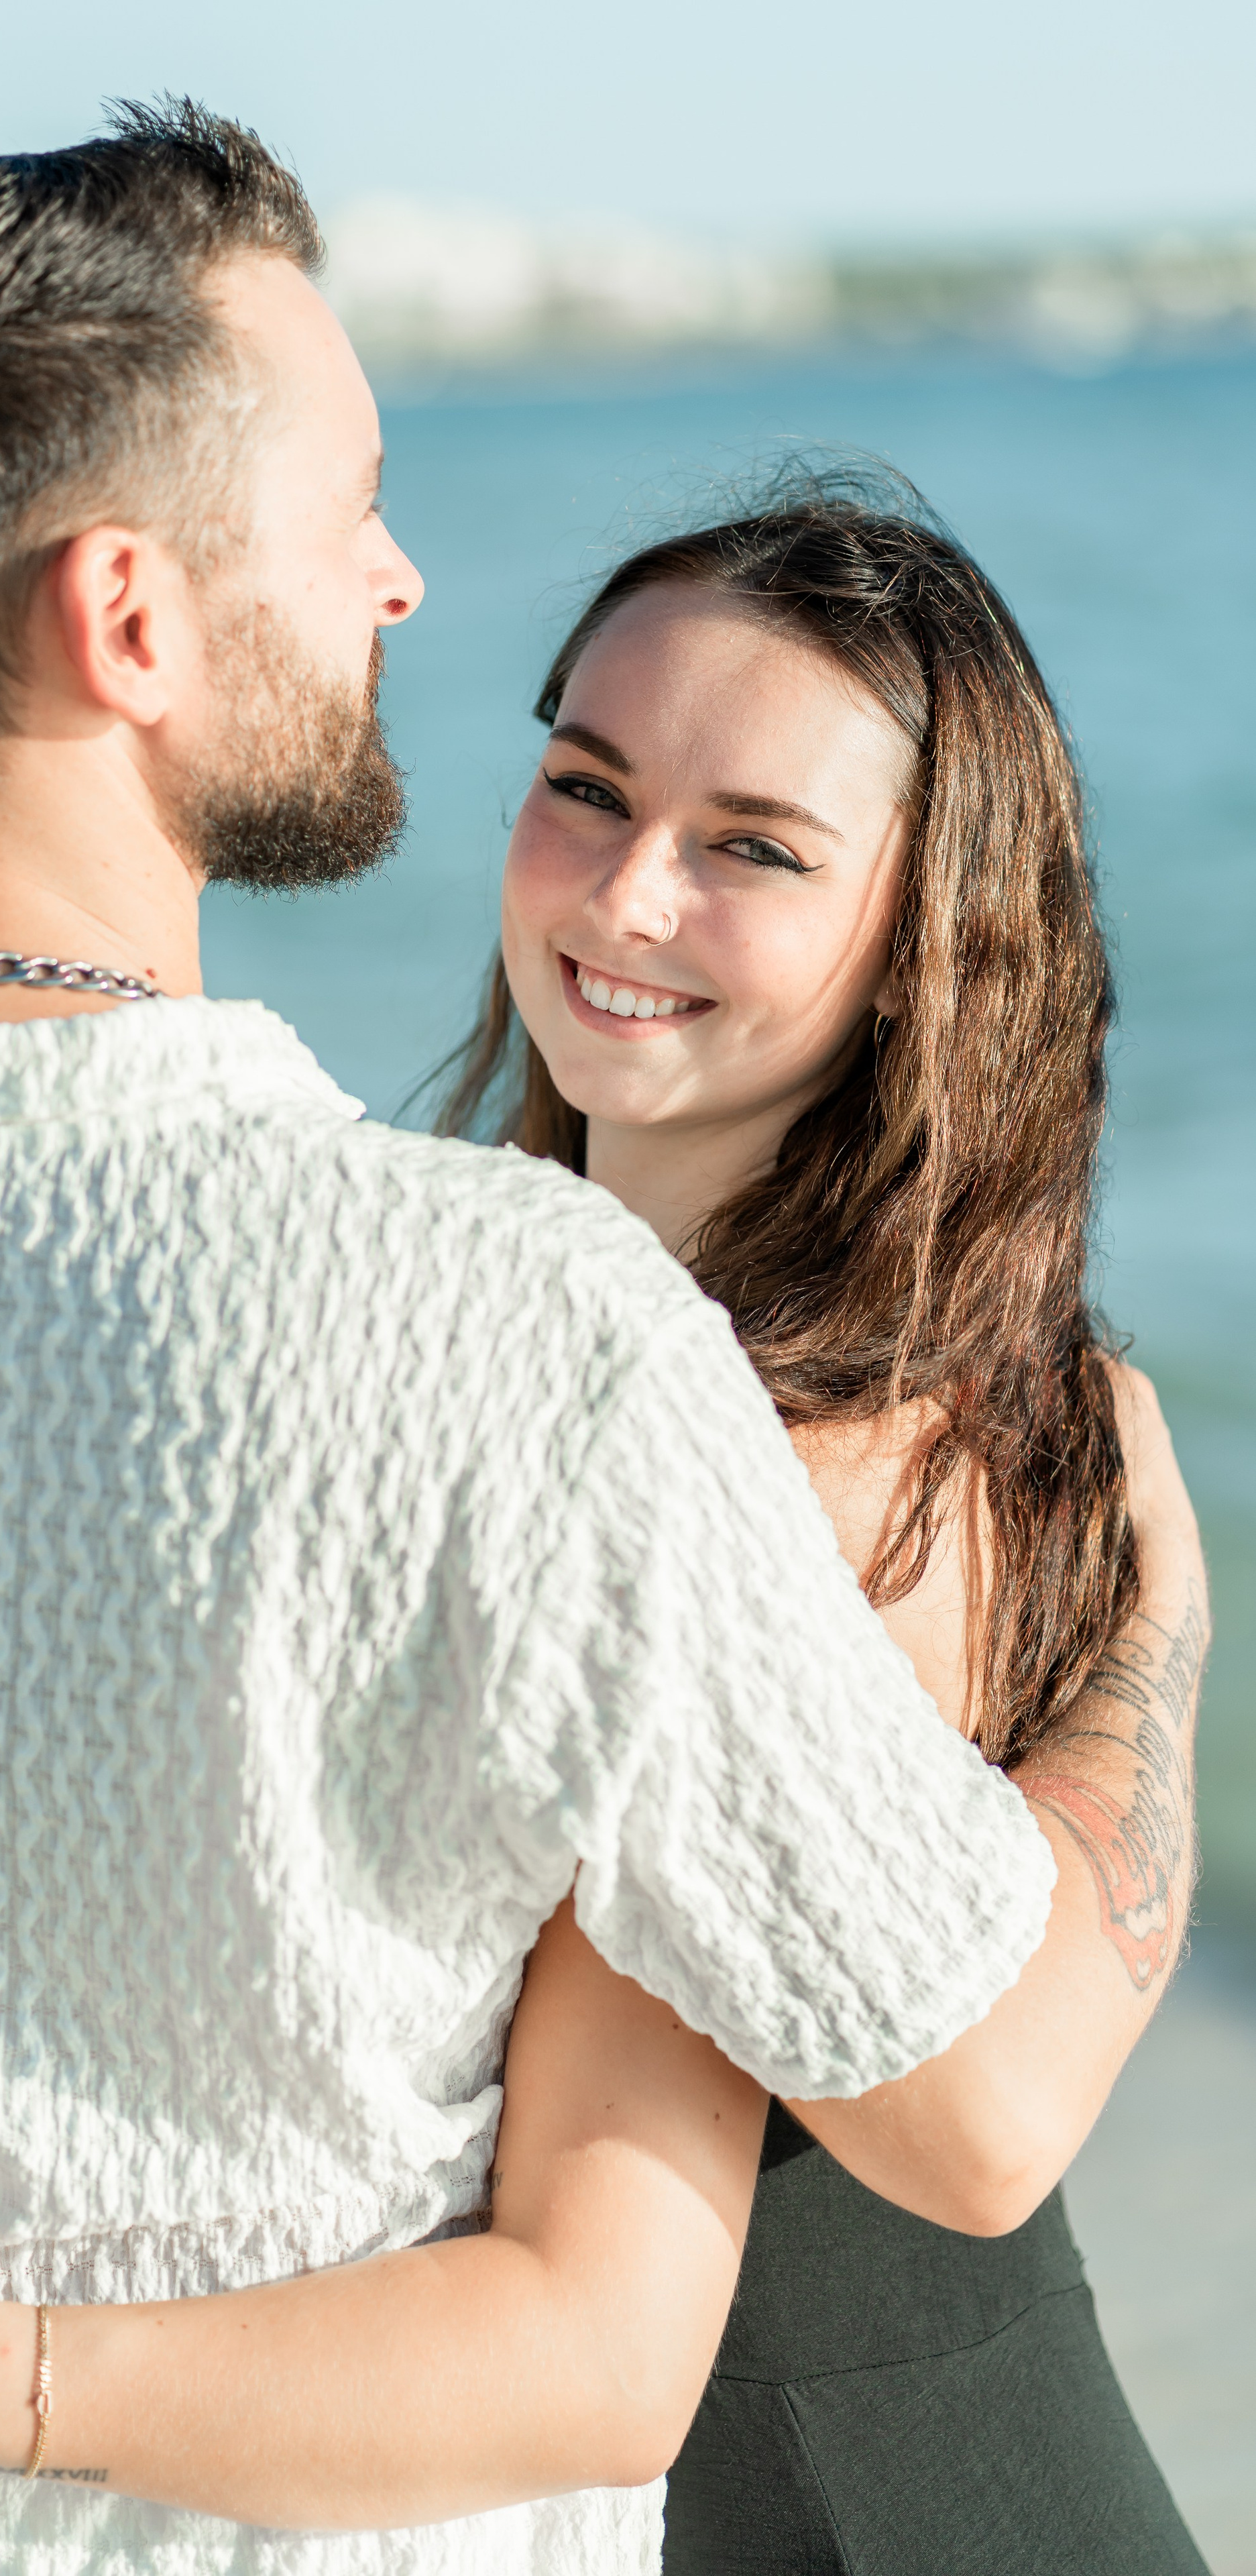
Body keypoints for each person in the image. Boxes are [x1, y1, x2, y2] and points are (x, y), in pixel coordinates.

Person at [0, 105, 1177, 2576]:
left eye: (754, 839)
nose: (401, 577)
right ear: (132, 617)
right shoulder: (515, 1340)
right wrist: (1147, 1624)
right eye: (350, 504)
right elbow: (944, 2098)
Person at [435, 486, 1211, 2572]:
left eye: (755, 845)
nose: (629, 891)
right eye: (586, 789)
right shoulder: (1045, 1401)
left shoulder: (803, 1458)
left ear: (930, 938)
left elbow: (969, 2119)